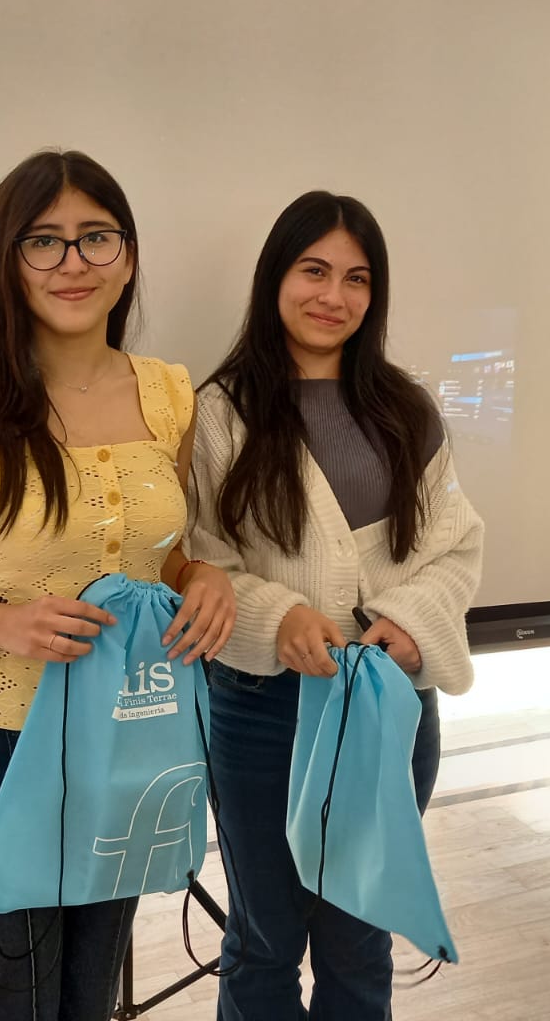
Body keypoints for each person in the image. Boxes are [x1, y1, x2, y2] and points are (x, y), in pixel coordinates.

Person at [0, 149, 236, 1020]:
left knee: (90, 994)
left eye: (95, 238)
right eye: (43, 241)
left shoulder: (169, 394)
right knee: (25, 1001)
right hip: (6, 746)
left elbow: (167, 555)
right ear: (7, 261)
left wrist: (206, 578)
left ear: (128, 255)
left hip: (127, 734)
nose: (72, 263)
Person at [186, 191, 485, 1020]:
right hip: (259, 714)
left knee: (358, 940)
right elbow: (200, 559)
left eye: (357, 279)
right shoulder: (220, 413)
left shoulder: (405, 408)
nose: (334, 295)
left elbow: (454, 547)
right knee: (264, 940)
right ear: (275, 278)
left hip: (386, 712)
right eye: (313, 271)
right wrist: (275, 616)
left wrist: (411, 624)